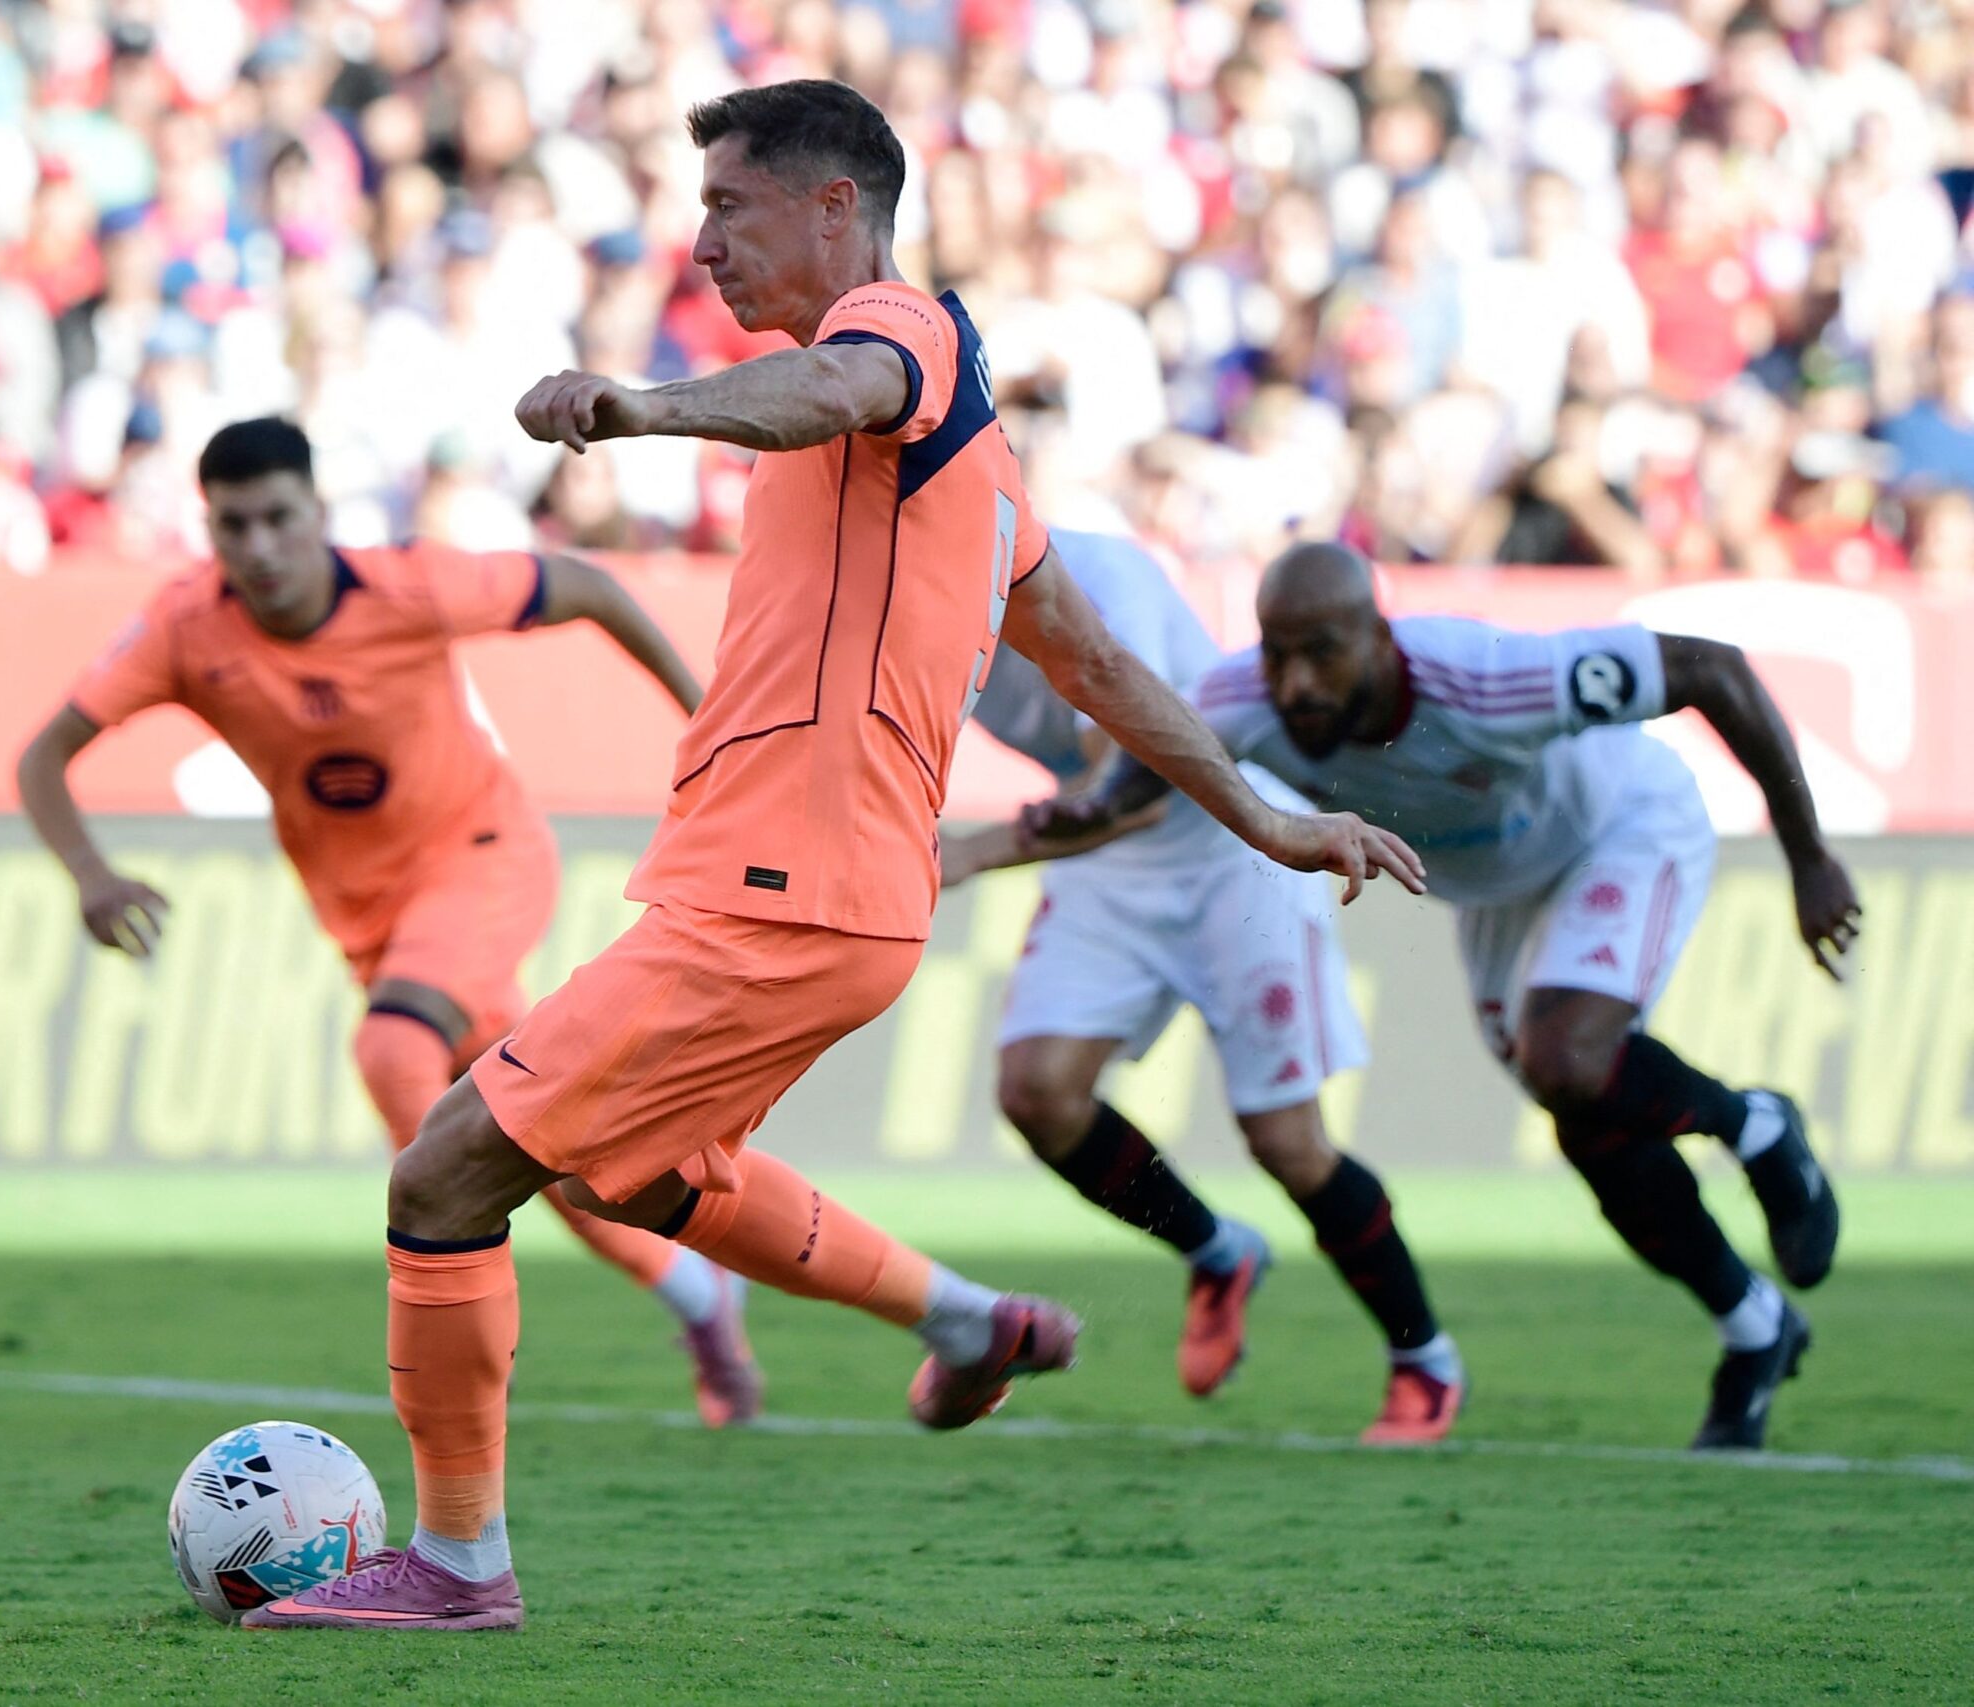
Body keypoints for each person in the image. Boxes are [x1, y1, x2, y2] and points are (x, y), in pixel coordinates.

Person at [246, 79, 1422, 1635]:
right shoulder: (977, 474)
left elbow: (844, 389)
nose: (704, 240)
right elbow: (1103, 672)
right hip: (820, 900)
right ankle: (965, 1318)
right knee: (649, 1170)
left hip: (777, 896)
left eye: (729, 206)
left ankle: (460, 1563)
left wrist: (646, 405)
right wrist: (1273, 817)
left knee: (446, 1169)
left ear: (831, 207)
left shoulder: (899, 346)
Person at [16, 415, 766, 1427]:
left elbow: (586, 587)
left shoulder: (407, 585)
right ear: (210, 531)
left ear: (318, 514)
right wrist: (90, 875)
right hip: (370, 920)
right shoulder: (187, 629)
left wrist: (703, 719)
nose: (261, 548)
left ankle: (457, 1281)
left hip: (484, 860)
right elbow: (44, 755)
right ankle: (702, 1292)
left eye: (279, 518)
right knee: (544, 1136)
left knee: (393, 1054)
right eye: (234, 526)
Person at [1032, 541, 1854, 1453]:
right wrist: (1090, 808)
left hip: (1620, 828)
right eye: (1277, 653)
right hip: (1496, 891)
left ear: (1379, 638)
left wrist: (1809, 859)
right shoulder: (1244, 701)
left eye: (1321, 652)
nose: (1296, 682)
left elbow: (1713, 668)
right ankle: (1754, 1325)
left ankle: (1757, 1127)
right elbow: (1150, 762)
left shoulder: (1490, 679)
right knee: (1586, 1118)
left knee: (1568, 1061)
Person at [942, 529, 1462, 1444]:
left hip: (1234, 845)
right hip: (1110, 869)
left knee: (1288, 1145)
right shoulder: (918, 611)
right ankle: (1219, 1253)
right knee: (1037, 1093)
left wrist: (972, 856)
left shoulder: (1098, 582)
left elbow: (1134, 785)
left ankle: (1425, 1357)